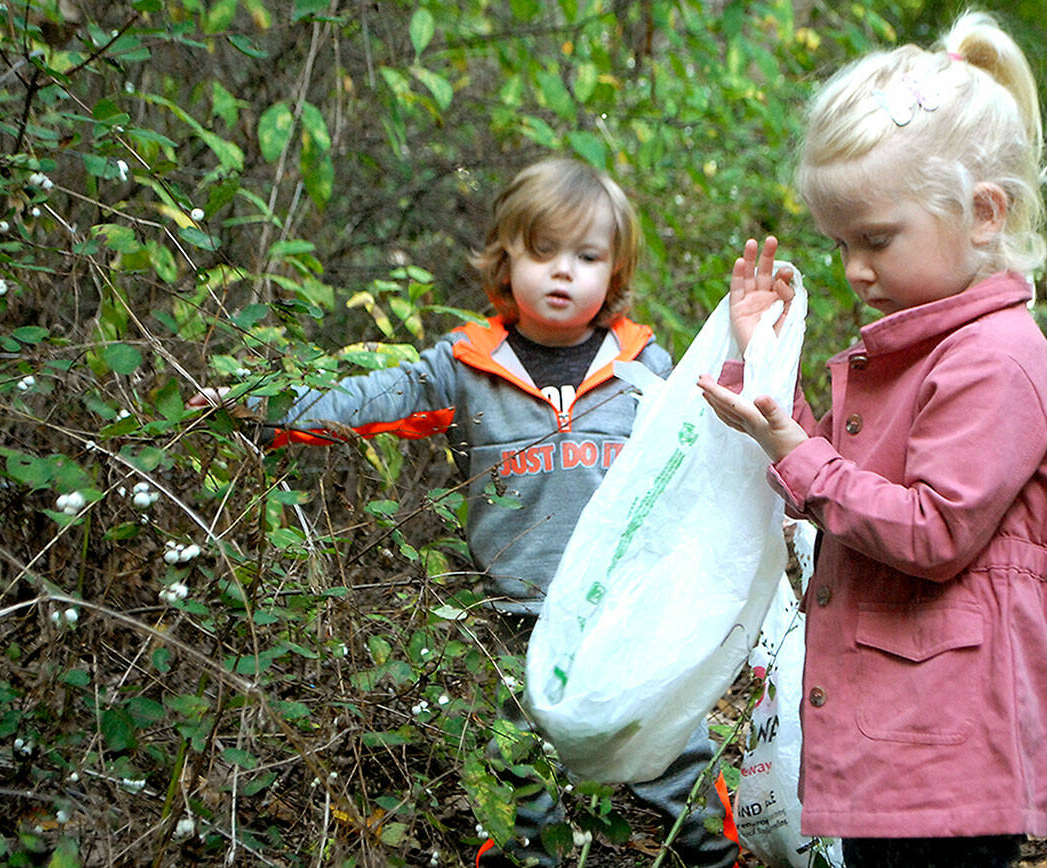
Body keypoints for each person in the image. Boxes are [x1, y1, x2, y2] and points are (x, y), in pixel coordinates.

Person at [189, 157, 736, 868]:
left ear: (616, 270)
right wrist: (260, 409)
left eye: (587, 256)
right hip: (517, 613)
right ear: (505, 260)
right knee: (512, 767)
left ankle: (711, 856)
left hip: (624, 609)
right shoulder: (467, 364)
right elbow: (374, 398)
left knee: (672, 744)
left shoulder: (646, 363)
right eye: (542, 251)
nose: (563, 272)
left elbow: (708, 452)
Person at [697, 12, 1047, 868]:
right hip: (901, 732)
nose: (854, 271)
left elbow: (931, 529)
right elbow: (824, 471)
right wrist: (754, 363)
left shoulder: (994, 360)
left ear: (984, 213)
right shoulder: (914, 348)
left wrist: (794, 451)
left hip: (953, 748)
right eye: (841, 244)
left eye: (875, 240)